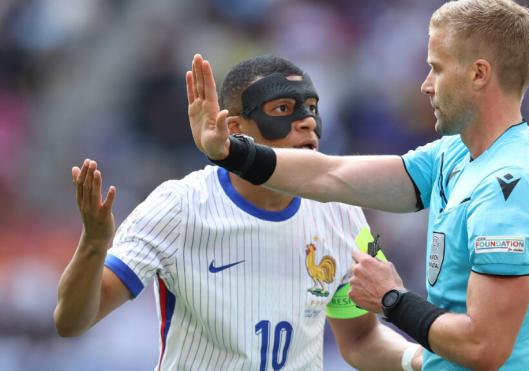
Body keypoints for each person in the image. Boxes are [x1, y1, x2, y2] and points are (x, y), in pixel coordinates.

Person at [190, 0, 529, 370]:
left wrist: (391, 299)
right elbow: (328, 174)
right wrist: (230, 152)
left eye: (437, 69)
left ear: (479, 74)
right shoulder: (455, 154)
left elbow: (484, 347)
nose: (426, 85)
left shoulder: (509, 188)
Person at [54, 55, 422, 371]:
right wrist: (93, 244)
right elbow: (71, 321)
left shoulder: (343, 212)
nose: (307, 121)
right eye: (283, 110)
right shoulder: (180, 207)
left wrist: (424, 361)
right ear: (234, 129)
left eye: (311, 108)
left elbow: (361, 338)